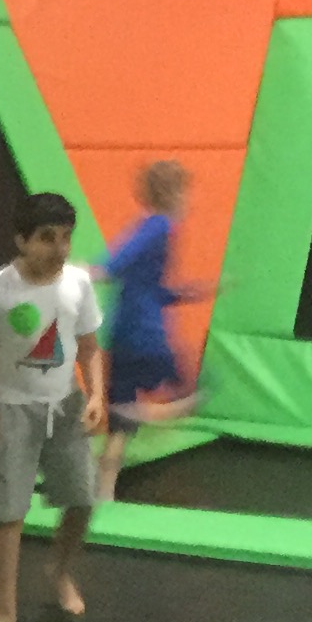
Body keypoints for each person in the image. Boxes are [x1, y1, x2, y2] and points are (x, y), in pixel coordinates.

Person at [0, 189, 106, 622]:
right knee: (8, 515)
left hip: (65, 405)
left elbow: (89, 347)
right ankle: (5, 612)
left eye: (65, 237)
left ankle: (59, 570)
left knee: (82, 499)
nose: (59, 248)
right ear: (22, 240)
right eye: (47, 238)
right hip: (8, 410)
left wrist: (97, 395)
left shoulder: (77, 284)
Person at [97, 160, 209, 498]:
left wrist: (191, 292)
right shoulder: (160, 225)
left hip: (121, 333)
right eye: (185, 192)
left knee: (118, 431)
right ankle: (132, 413)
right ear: (171, 194)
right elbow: (115, 264)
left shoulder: (147, 225)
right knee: (193, 395)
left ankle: (103, 495)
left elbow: (152, 288)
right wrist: (92, 270)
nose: (189, 200)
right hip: (144, 335)